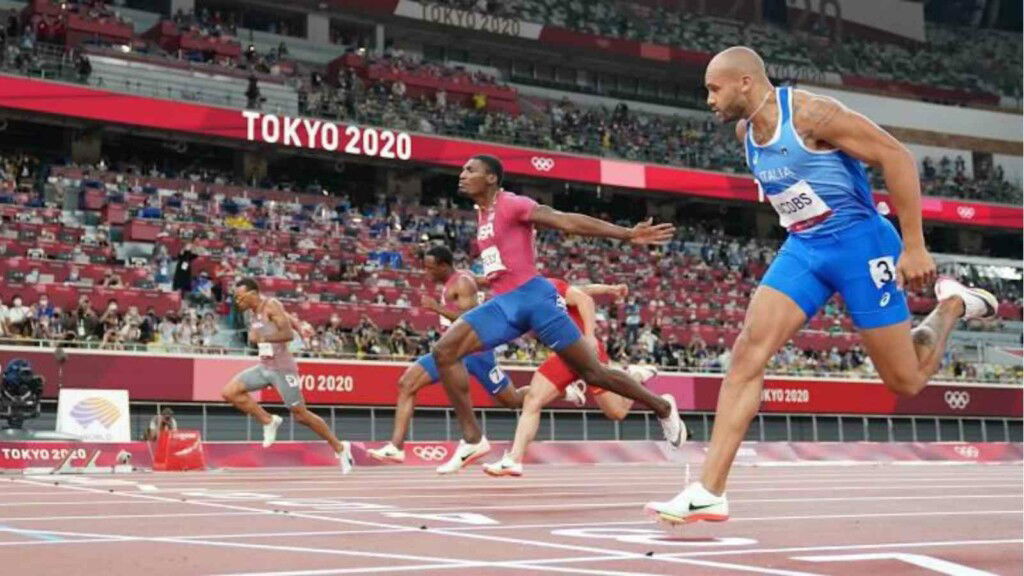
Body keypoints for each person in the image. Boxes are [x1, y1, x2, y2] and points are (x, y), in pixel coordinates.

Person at [644, 46, 998, 525]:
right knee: (748, 350)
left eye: (714, 88)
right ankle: (709, 491)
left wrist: (914, 245)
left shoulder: (812, 113)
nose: (708, 98)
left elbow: (896, 155)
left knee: (906, 380)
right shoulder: (745, 131)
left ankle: (953, 305)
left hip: (861, 245)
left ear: (745, 81)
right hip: (805, 248)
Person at [431, 155, 685, 474]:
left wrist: (626, 234)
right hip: (504, 305)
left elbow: (565, 220)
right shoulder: (482, 215)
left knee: (595, 373)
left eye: (471, 170)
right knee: (444, 351)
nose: (462, 174)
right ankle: (472, 439)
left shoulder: (512, 203)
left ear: (492, 178)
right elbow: (502, 264)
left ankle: (661, 406)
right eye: (462, 168)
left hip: (535, 301)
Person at [483, 279, 669, 476]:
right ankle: (514, 459)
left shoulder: (544, 285)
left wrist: (589, 337)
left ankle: (635, 375)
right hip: (563, 354)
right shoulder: (518, 300)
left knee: (617, 412)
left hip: (584, 349)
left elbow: (584, 299)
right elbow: (583, 289)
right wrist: (610, 288)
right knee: (533, 399)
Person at [367, 245, 520, 469]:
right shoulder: (462, 277)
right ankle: (396, 447)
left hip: (474, 352)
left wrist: (437, 308)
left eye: (431, 268)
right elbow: (487, 281)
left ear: (444, 266)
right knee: (407, 383)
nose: (427, 272)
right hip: (451, 351)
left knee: (512, 400)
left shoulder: (461, 282)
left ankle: (556, 389)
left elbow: (471, 318)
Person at [220, 278, 354, 473]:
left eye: (240, 297)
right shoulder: (252, 313)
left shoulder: (271, 305)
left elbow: (288, 335)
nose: (237, 301)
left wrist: (266, 336)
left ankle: (341, 448)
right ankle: (269, 421)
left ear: (252, 294)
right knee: (229, 392)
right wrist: (297, 324)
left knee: (301, 415)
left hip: (282, 369)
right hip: (264, 367)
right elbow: (283, 320)